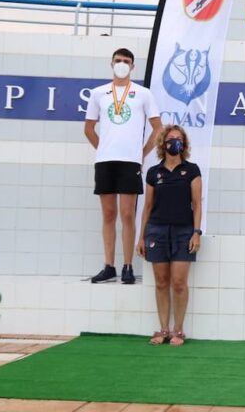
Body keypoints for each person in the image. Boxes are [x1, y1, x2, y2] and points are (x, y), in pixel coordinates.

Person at [84, 48, 162, 284]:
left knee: (128, 215)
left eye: (126, 61)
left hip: (130, 162)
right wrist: (103, 149)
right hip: (105, 162)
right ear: (111, 63)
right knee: (108, 214)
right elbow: (88, 129)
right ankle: (109, 265)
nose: (121, 64)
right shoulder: (99, 93)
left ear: (132, 66)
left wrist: (142, 153)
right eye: (118, 60)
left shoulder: (143, 93)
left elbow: (158, 127)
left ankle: (128, 265)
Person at [137, 125, 202, 346]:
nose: (175, 143)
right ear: (163, 143)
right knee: (161, 282)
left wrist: (196, 232)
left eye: (179, 140)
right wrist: (141, 236)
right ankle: (163, 329)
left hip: (184, 231)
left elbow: (197, 204)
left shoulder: (192, 170)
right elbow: (147, 207)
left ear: (184, 145)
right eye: (171, 139)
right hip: (157, 230)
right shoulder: (154, 172)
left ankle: (179, 330)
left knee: (179, 282)